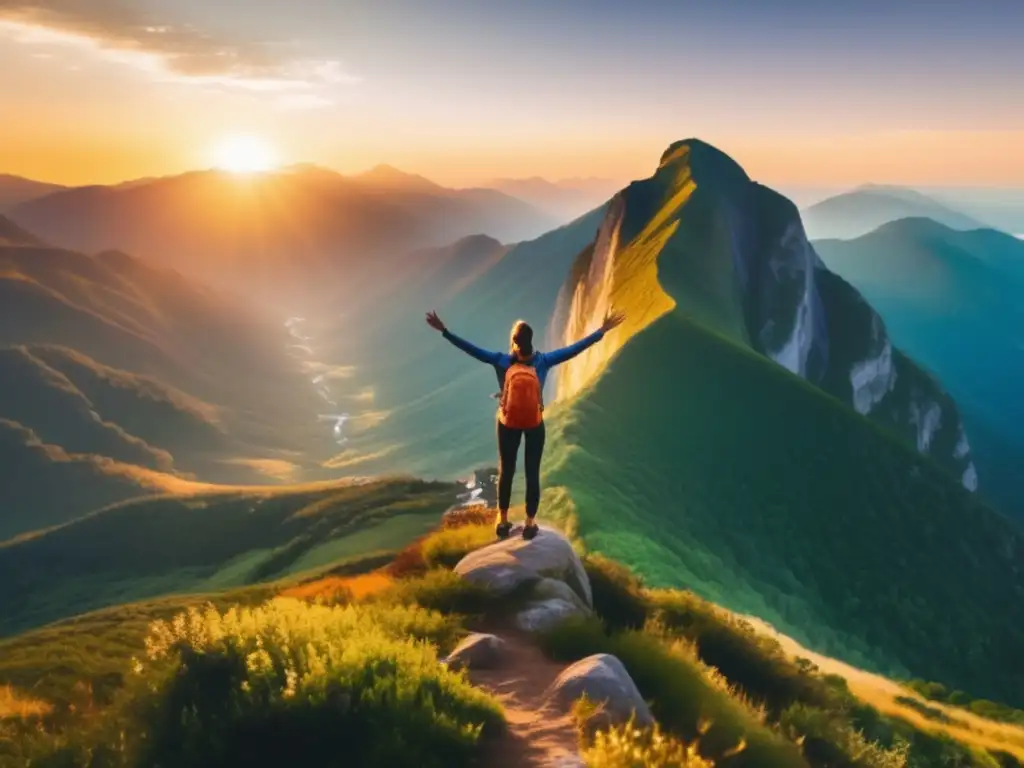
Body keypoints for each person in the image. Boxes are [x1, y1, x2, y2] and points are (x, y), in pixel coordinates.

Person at [425, 308, 625, 540]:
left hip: (507, 423)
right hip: (534, 424)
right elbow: (574, 350)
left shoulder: (501, 360)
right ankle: (530, 523)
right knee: (532, 473)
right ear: (532, 341)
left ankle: (502, 520)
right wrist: (602, 331)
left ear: (514, 342)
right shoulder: (544, 361)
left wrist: (445, 332)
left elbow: (472, 350)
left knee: (506, 471)